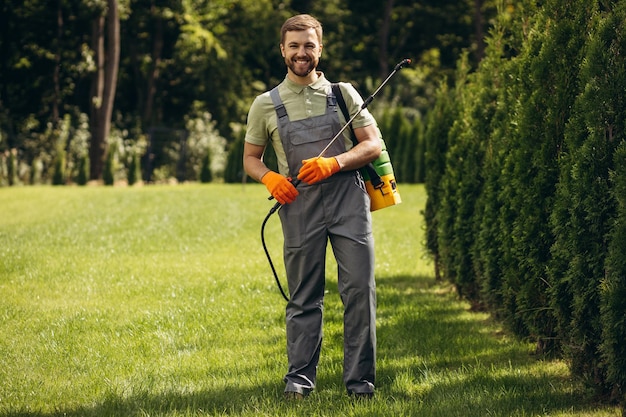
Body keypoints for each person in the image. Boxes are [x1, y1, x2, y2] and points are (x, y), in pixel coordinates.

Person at [243, 14, 381, 399]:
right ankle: (299, 383)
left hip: (348, 200)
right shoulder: (265, 104)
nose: (301, 53)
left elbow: (372, 145)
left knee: (360, 291)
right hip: (299, 205)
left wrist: (334, 162)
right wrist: (270, 178)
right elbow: (251, 158)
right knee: (304, 296)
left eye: (309, 45)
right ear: (283, 50)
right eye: (294, 46)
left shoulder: (343, 94)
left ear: (320, 49)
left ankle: (360, 385)